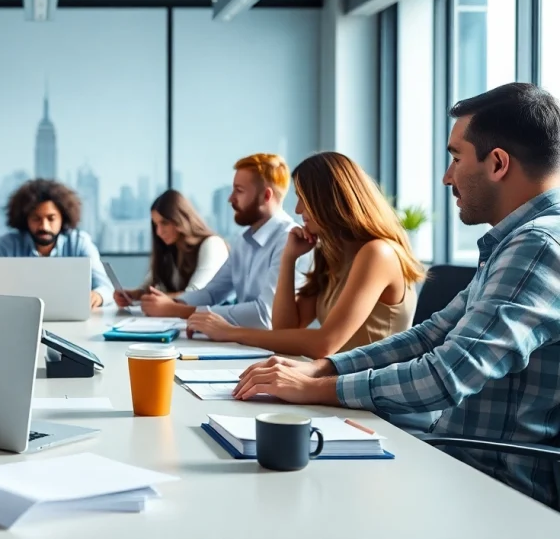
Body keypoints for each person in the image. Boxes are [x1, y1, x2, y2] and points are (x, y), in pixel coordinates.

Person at [234, 83, 560, 511]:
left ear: (497, 163)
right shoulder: (511, 244)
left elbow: (445, 375)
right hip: (450, 457)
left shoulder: (538, 246)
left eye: (456, 158)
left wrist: (319, 387)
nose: (447, 176)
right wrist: (320, 369)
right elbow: (429, 336)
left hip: (492, 489)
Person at [187, 152, 424, 357]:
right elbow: (284, 329)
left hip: (376, 400)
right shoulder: (331, 257)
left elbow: (325, 344)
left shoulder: (378, 253)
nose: (298, 209)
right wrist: (288, 259)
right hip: (339, 387)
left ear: (330, 201)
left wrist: (230, 332)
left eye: (304, 199)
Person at [138, 154, 306, 325]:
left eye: (239, 191)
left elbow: (264, 316)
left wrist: (178, 311)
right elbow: (212, 293)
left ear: (266, 196)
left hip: (269, 347)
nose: (230, 198)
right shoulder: (243, 241)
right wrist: (174, 303)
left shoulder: (290, 240)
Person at [0, 178, 112, 308]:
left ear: (63, 217)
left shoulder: (79, 242)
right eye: (36, 218)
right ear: (26, 219)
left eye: (51, 218)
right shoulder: (7, 245)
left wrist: (97, 296)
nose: (44, 226)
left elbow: (106, 288)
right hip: (19, 319)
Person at [114, 189, 228, 306]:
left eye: (164, 223)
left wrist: (154, 299)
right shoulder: (169, 250)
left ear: (181, 220)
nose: (159, 232)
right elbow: (147, 287)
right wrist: (132, 295)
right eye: (155, 224)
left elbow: (195, 295)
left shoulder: (213, 244)